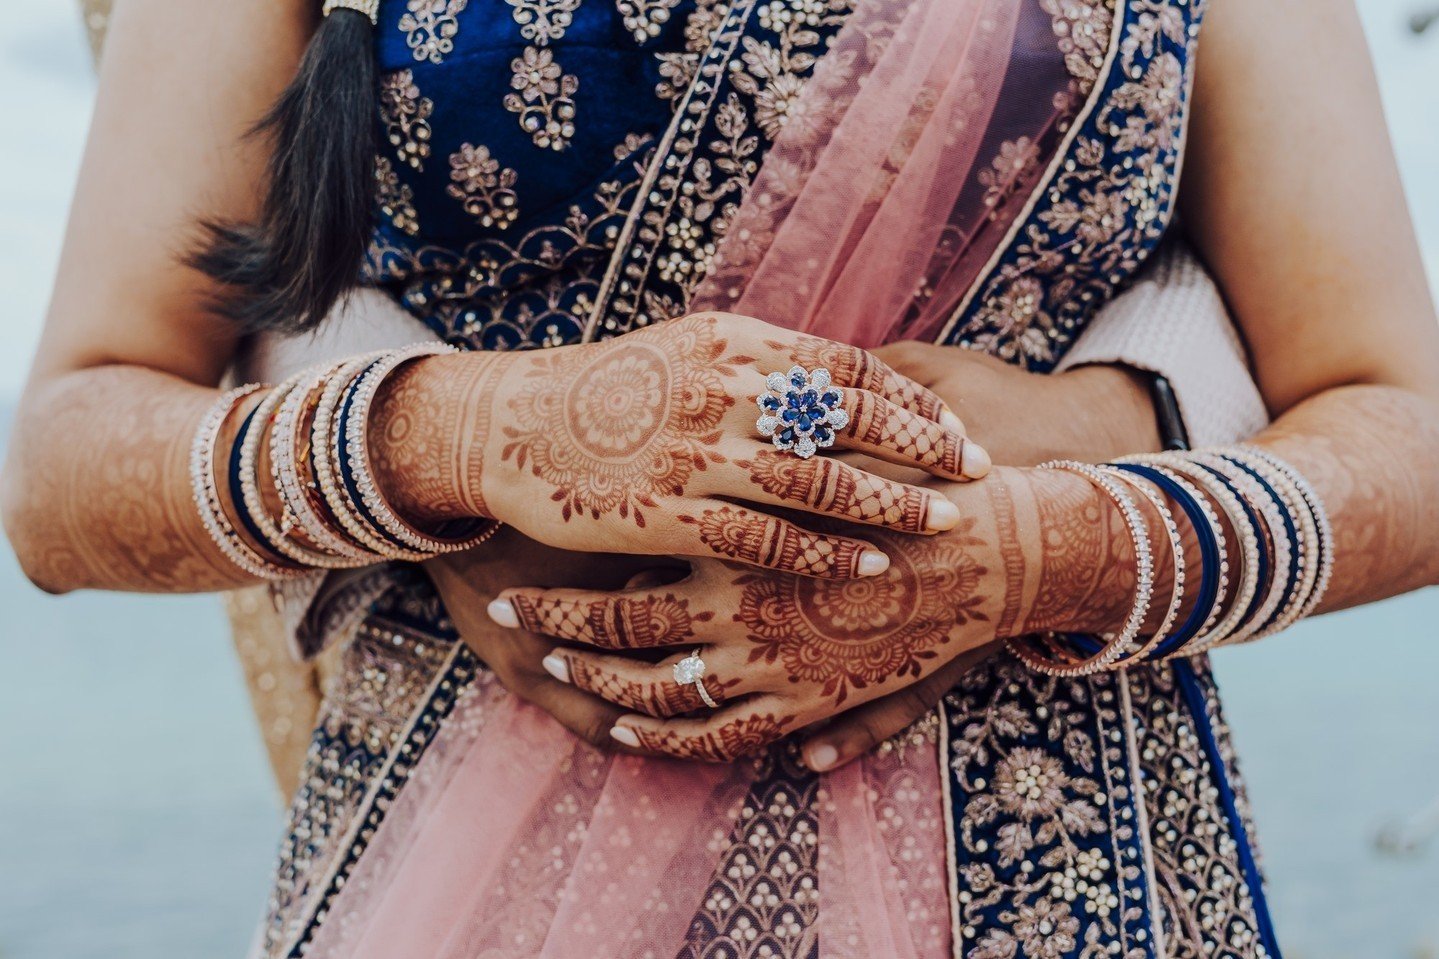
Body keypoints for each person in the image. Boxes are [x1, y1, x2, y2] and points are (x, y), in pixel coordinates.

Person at [3, 2, 1436, 958]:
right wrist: (462, 438)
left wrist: (1036, 549)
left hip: (1056, 865)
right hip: (466, 866)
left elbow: (1402, 429)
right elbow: (66, 465)